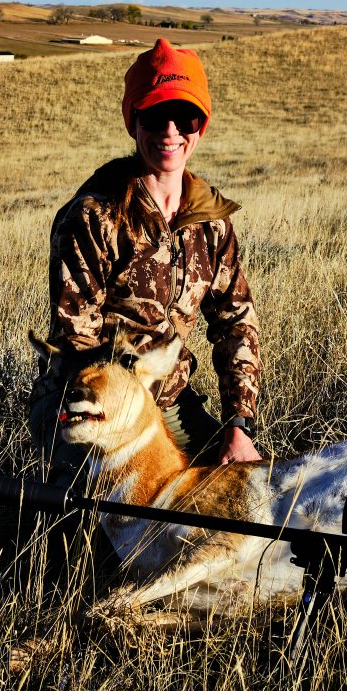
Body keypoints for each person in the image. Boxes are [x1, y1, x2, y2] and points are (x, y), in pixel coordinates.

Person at [30, 38, 262, 480]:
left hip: (168, 402)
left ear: (202, 126)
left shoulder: (210, 223)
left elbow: (237, 324)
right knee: (111, 532)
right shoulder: (93, 216)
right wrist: (133, 419)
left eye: (186, 116)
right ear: (133, 121)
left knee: (235, 491)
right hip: (85, 399)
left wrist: (239, 423)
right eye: (155, 115)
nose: (171, 130)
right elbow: (77, 339)